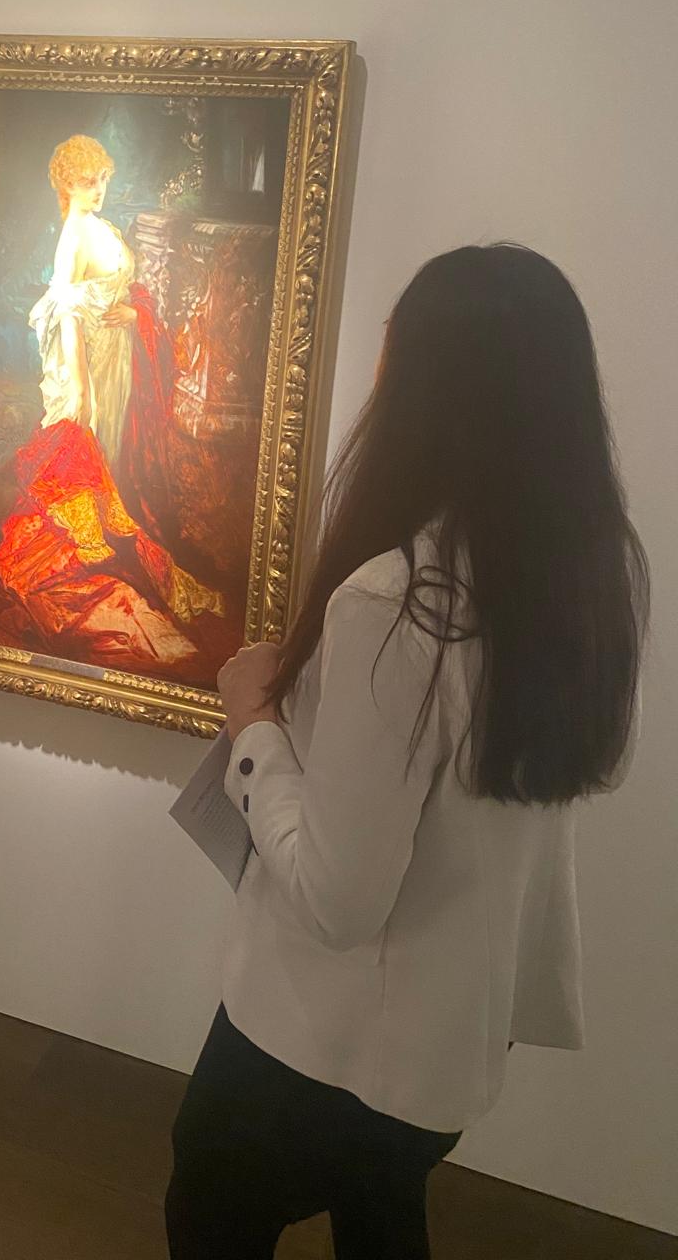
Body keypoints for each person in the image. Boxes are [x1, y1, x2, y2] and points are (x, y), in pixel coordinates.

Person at [166, 244, 648, 1260]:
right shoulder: (580, 578)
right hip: (449, 1045)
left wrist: (253, 725)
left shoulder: (397, 601)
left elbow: (337, 899)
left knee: (209, 1214)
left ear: (428, 393)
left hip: (323, 1043)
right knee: (382, 1211)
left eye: (393, 350)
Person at [0, 134, 228, 681]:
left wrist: (134, 316)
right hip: (92, 365)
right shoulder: (73, 237)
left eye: (102, 179)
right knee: (93, 455)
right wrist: (80, 388)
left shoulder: (100, 227)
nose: (98, 189)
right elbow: (67, 317)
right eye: (87, 181)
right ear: (65, 184)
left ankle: (121, 540)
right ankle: (102, 554)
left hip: (119, 358)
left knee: (118, 458)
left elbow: (123, 295)